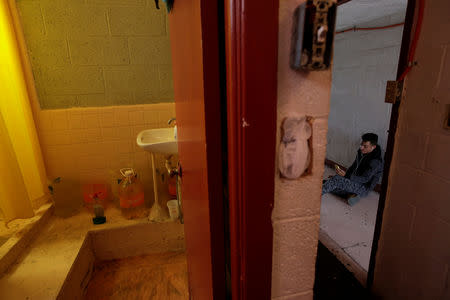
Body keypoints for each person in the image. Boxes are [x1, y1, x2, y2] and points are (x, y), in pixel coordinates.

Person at [322, 133, 383, 206]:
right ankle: (352, 194)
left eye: (365, 146)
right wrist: (344, 176)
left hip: (363, 187)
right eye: (361, 144)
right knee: (329, 182)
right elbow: (353, 167)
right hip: (354, 180)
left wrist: (346, 176)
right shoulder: (361, 152)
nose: (361, 148)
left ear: (373, 147)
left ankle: (315, 195)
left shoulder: (376, 162)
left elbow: (364, 179)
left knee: (335, 181)